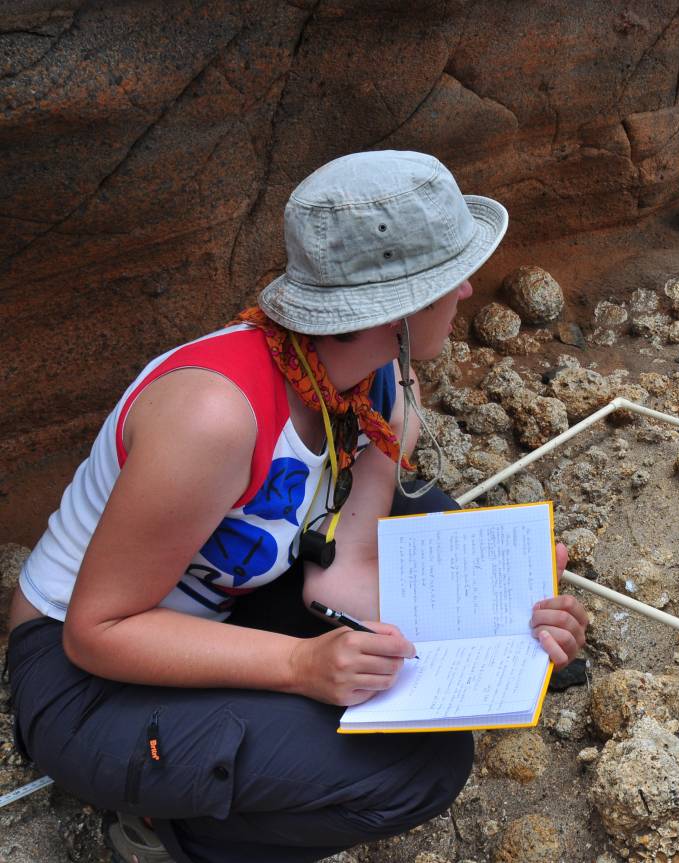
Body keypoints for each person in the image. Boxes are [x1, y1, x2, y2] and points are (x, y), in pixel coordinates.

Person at [3, 150, 589, 863]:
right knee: (416, 772)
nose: (468, 289)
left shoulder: (382, 389)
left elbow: (338, 578)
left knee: (430, 517)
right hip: (82, 680)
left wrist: (503, 620)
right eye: (445, 278)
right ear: (393, 311)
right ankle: (165, 833)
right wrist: (299, 666)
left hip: (215, 609)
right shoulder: (215, 416)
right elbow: (95, 631)